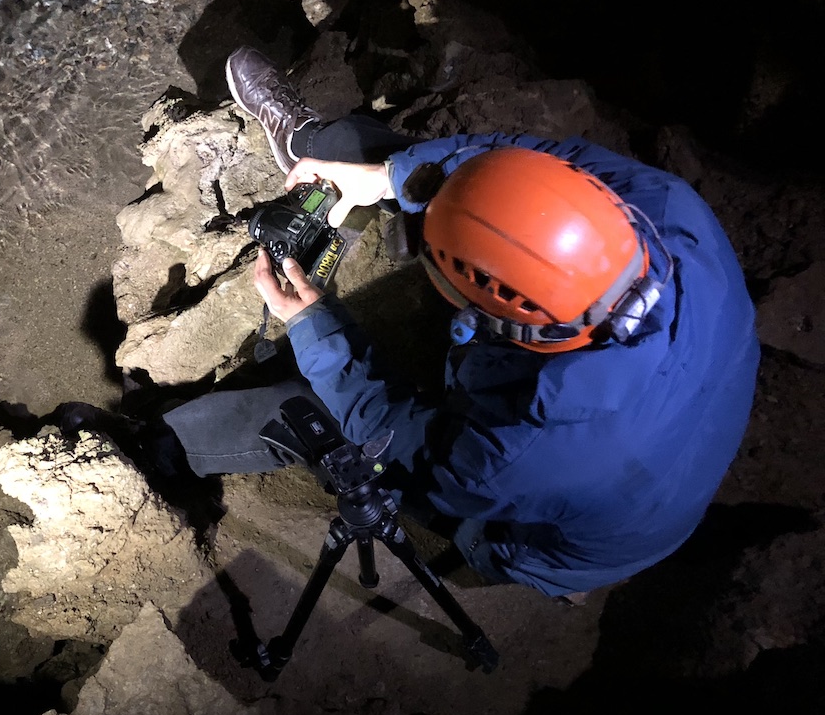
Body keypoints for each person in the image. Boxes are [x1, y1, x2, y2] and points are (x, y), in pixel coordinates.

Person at [158, 46, 760, 599]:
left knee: (325, 423)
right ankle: (313, 145)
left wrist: (313, 324)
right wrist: (391, 178)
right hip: (669, 417)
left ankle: (161, 447)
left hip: (534, 541)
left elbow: (412, 460)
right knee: (419, 174)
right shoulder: (671, 210)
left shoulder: (520, 452)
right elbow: (532, 164)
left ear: (495, 316)